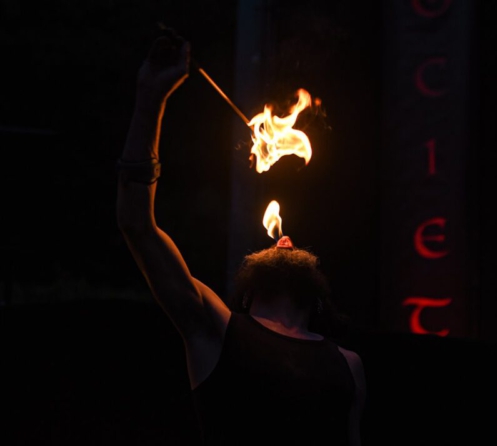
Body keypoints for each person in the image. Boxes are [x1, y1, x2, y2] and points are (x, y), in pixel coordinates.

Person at [115, 33, 366, 446]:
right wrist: (151, 96)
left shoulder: (348, 364)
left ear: (320, 298)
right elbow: (136, 224)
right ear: (245, 297)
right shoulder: (218, 328)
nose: (283, 237)